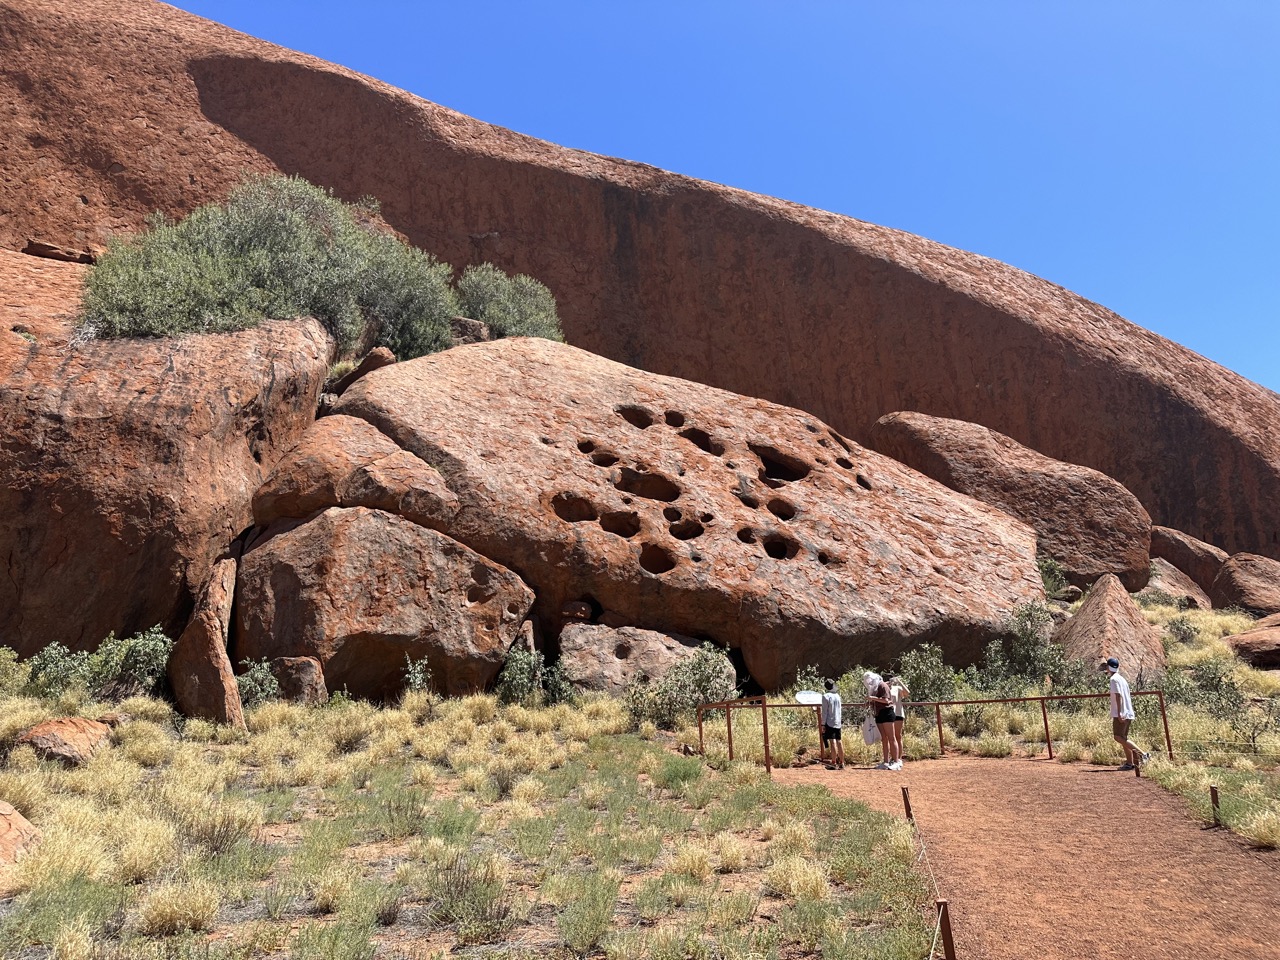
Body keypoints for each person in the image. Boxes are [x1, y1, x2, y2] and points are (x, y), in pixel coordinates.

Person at [1104, 656, 1151, 770]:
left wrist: (1119, 713)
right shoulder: (1121, 679)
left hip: (1121, 712)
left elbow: (1118, 695)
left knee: (1118, 737)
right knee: (1123, 737)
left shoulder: (1113, 679)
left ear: (1108, 667)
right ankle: (1130, 763)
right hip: (1128, 711)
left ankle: (1142, 754)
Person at [864, 671, 901, 770]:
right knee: (884, 738)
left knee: (891, 738)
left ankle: (896, 761)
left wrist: (873, 698)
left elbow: (886, 700)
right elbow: (876, 701)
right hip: (879, 714)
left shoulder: (882, 685)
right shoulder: (874, 688)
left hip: (887, 713)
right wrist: (869, 703)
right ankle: (885, 762)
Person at [820, 678, 844, 769]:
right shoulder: (837, 696)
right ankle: (842, 762)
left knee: (832, 741)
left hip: (829, 722)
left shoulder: (825, 696)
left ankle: (833, 763)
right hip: (837, 721)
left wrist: (823, 724)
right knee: (839, 741)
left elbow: (825, 712)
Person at [888, 675, 911, 768]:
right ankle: (893, 757)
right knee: (890, 737)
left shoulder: (897, 688)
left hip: (898, 713)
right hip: (888, 714)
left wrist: (900, 682)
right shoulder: (886, 688)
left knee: (898, 736)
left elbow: (907, 693)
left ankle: (898, 758)